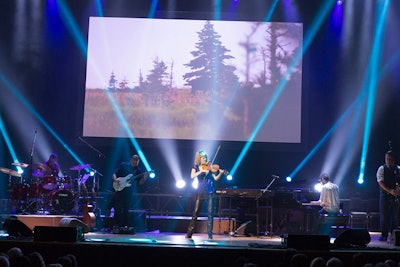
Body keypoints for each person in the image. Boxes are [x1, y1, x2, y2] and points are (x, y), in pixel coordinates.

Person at [186, 150, 225, 239]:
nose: (205, 159)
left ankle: (210, 235)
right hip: (200, 191)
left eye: (206, 158)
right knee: (195, 212)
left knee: (210, 213)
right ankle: (189, 233)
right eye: (203, 158)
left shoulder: (210, 168)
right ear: (199, 158)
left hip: (210, 191)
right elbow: (192, 176)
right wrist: (201, 171)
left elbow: (215, 178)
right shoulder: (196, 166)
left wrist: (220, 173)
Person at [109, 154, 148, 230]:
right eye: (134, 160)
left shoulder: (138, 170)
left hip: (129, 191)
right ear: (131, 160)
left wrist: (144, 177)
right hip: (119, 189)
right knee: (117, 208)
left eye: (137, 160)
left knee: (126, 209)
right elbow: (114, 173)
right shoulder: (124, 165)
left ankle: (125, 226)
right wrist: (115, 179)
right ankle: (116, 226)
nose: (135, 162)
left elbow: (140, 183)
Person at [376, 150, 400, 242]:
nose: (388, 161)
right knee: (384, 217)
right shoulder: (382, 168)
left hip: (395, 195)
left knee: (394, 217)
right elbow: (380, 182)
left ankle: (393, 236)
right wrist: (390, 190)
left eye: (390, 159)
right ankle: (384, 235)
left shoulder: (398, 169)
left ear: (394, 160)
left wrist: (398, 190)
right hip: (385, 195)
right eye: (387, 159)